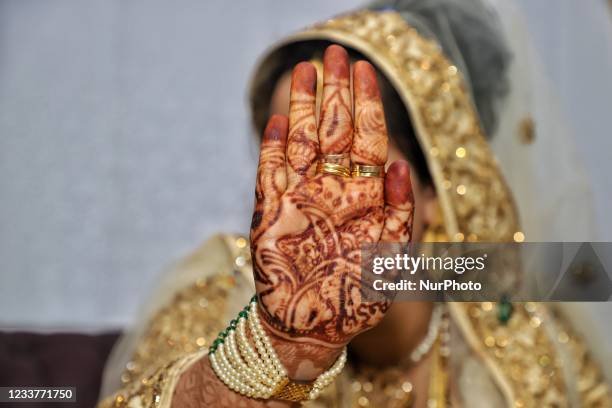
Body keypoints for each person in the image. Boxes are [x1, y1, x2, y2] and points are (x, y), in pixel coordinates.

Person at [98, 1, 611, 407]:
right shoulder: (216, 298)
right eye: (292, 162)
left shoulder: (521, 344)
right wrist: (283, 351)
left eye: (344, 165)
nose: (313, 203)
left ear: (436, 192)